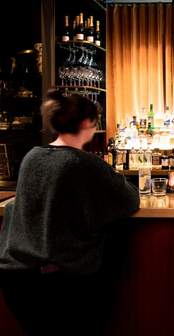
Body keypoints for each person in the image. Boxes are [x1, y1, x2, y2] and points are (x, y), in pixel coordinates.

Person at [0, 89, 140, 335]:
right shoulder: (83, 162)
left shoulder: (32, 156)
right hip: (61, 283)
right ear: (87, 123)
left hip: (17, 280)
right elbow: (129, 200)